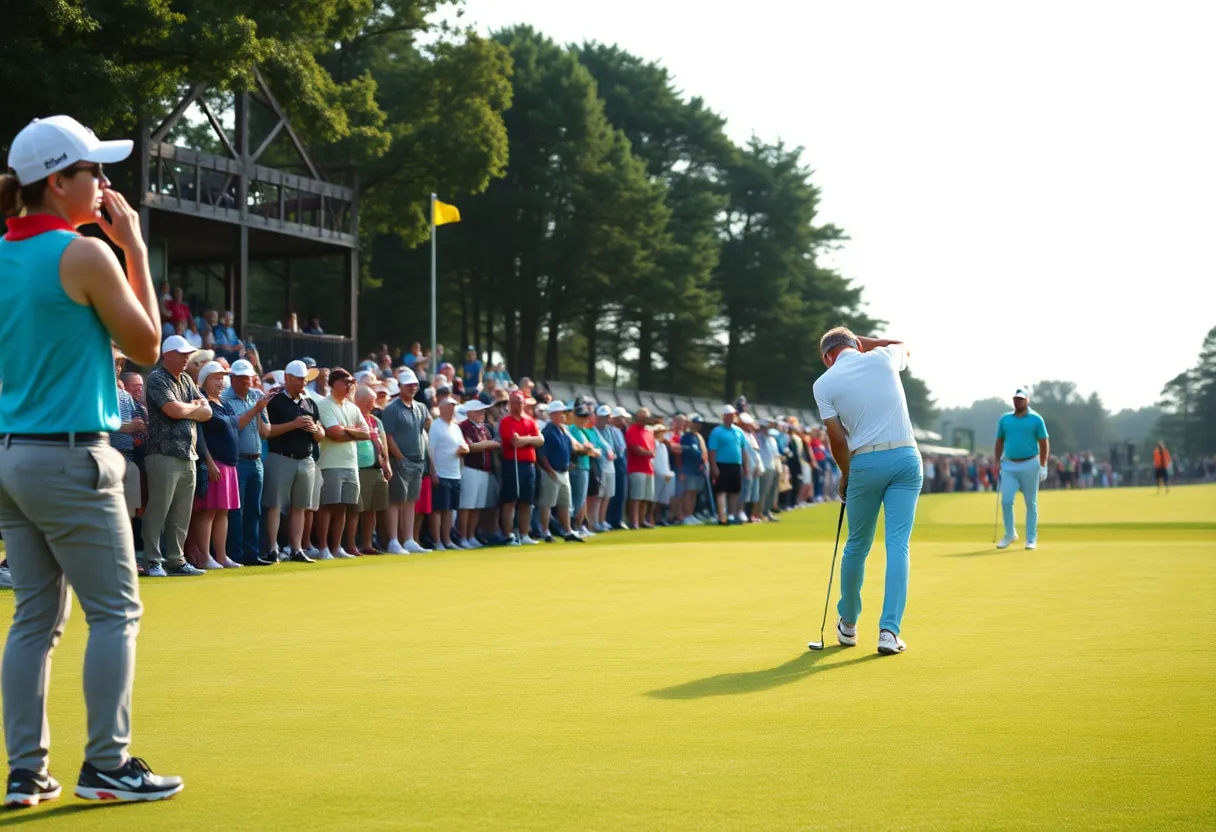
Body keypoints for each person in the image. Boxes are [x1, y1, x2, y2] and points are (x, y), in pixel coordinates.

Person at [0, 115, 183, 806]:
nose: (105, 185)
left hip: (12, 454)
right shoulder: (84, 253)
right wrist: (134, 246)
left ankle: (26, 771)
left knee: (33, 619)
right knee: (115, 612)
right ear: (58, 181)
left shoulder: (2, 253)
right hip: (71, 457)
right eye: (93, 173)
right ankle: (106, 763)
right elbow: (146, 346)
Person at [813, 326, 920, 656]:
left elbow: (836, 438)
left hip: (865, 462)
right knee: (898, 543)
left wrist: (846, 475)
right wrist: (864, 342)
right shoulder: (883, 355)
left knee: (857, 545)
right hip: (906, 457)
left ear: (826, 357)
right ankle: (889, 631)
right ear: (857, 344)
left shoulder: (823, 383)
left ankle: (848, 624)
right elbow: (905, 345)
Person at [190, 361, 242, 569]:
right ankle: (204, 557)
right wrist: (208, 461)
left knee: (223, 511)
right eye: (216, 378)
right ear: (205, 379)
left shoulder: (224, 403)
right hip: (215, 463)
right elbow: (199, 435)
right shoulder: (202, 401)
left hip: (229, 464)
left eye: (223, 378)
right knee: (209, 511)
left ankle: (221, 556)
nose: (221, 382)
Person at [381, 368, 431, 554]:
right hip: (400, 460)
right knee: (396, 501)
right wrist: (400, 457)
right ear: (400, 386)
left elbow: (425, 425)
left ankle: (409, 539)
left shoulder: (420, 407)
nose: (413, 387)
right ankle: (394, 541)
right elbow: (388, 436)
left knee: (411, 501)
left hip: (418, 460)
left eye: (415, 385)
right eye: (409, 385)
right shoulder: (392, 409)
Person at [994, 388, 1050, 549]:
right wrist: (997, 461)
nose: (1017, 402)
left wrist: (1043, 465)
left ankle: (1031, 538)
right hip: (1009, 464)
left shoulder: (1036, 419)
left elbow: (1044, 442)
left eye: (1020, 399)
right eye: (1015, 399)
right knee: (1006, 500)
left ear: (1027, 400)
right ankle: (1010, 534)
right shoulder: (1005, 419)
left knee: (1030, 502)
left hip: (1030, 463)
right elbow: (999, 441)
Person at [499, 391, 543, 546]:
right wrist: (530, 440)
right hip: (513, 464)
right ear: (509, 404)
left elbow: (540, 440)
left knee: (526, 501)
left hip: (529, 465)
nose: (517, 405)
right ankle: (509, 534)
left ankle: (524, 534)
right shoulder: (506, 421)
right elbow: (513, 442)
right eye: (514, 402)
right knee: (511, 500)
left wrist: (526, 439)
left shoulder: (530, 421)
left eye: (519, 402)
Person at [427, 398, 468, 550]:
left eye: (453, 408)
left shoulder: (456, 428)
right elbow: (430, 451)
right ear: (441, 409)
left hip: (454, 473)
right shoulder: (436, 426)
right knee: (439, 509)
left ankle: (447, 540)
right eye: (449, 407)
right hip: (441, 473)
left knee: (450, 509)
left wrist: (464, 449)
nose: (452, 410)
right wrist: (433, 472)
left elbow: (464, 445)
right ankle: (437, 541)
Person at [708, 405, 748, 525]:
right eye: (729, 415)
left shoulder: (739, 431)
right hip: (722, 464)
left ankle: (731, 515)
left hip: (736, 464)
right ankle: (722, 516)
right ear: (724, 416)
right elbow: (712, 450)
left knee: (734, 491)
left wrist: (745, 466)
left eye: (733, 415)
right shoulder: (717, 431)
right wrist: (714, 466)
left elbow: (743, 449)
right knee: (721, 491)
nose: (732, 417)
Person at [625, 408, 656, 529]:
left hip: (648, 467)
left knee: (645, 498)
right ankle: (634, 522)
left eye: (646, 417)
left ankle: (642, 520)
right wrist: (648, 452)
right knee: (636, 497)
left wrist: (648, 452)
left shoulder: (648, 432)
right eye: (642, 417)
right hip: (636, 468)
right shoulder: (632, 430)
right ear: (637, 418)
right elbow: (637, 449)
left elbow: (652, 450)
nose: (645, 420)